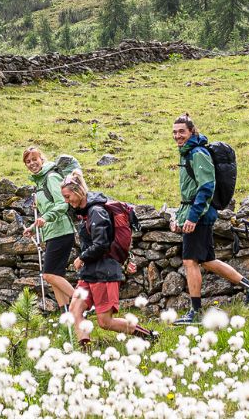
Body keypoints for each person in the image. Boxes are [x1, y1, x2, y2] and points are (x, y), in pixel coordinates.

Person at [170, 114, 249, 325]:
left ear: (192, 131)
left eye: (182, 131)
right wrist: (180, 216)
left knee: (190, 261)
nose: (178, 136)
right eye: (175, 132)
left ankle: (195, 313)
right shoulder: (187, 153)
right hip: (196, 213)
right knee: (208, 260)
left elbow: (206, 187)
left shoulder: (197, 153)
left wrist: (193, 217)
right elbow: (189, 190)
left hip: (200, 215)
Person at [61, 174, 159, 347]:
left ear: (78, 191)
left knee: (105, 322)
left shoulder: (96, 212)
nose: (67, 201)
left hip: (104, 272)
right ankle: (85, 351)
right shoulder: (85, 213)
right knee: (75, 310)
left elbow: (102, 244)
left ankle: (149, 336)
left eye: (68, 197)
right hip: (90, 272)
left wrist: (82, 257)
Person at [23, 147, 80, 312]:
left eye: (35, 159)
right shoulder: (40, 182)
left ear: (42, 159)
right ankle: (66, 314)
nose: (32, 163)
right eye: (28, 161)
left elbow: (62, 203)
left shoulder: (51, 177)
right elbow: (46, 212)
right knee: (55, 277)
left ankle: (83, 303)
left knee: (48, 275)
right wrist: (33, 229)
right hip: (52, 232)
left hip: (62, 231)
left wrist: (46, 218)